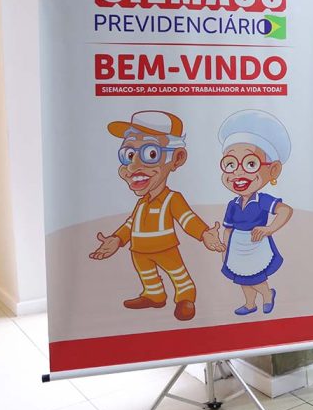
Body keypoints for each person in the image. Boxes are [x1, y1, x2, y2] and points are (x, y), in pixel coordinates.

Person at [89, 110, 225, 322]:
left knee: (178, 275)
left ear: (177, 158)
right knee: (147, 275)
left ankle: (185, 298)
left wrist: (204, 233)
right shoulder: (142, 202)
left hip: (165, 248)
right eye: (128, 155)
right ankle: (154, 295)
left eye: (150, 154)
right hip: (139, 250)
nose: (133, 166)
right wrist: (117, 239)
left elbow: (187, 219)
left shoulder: (172, 198)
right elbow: (131, 224)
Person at [217, 109, 294, 316]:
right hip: (237, 246)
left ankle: (267, 295)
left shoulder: (262, 200)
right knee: (241, 277)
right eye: (230, 164)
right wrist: (225, 250)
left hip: (256, 245)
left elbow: (285, 211)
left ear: (273, 170)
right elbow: (228, 229)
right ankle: (250, 304)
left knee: (255, 276)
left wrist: (269, 229)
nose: (238, 172)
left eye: (250, 163)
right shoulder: (233, 204)